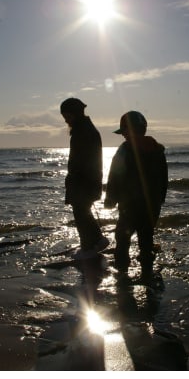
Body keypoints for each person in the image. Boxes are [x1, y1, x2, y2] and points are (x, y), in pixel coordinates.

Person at [104, 111, 168, 280]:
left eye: (124, 132)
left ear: (129, 131)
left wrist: (110, 198)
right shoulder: (157, 149)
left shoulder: (125, 149)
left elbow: (115, 175)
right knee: (146, 237)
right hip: (151, 205)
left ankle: (122, 269)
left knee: (122, 236)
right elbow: (163, 178)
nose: (123, 136)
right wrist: (160, 199)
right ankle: (147, 268)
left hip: (129, 205)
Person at [60, 97, 109, 258]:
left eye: (66, 116)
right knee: (83, 212)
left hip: (83, 180)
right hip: (87, 179)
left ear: (73, 114)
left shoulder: (82, 131)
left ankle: (88, 247)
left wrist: (75, 178)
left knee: (81, 214)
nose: (65, 120)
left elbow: (81, 160)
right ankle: (96, 241)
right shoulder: (85, 129)